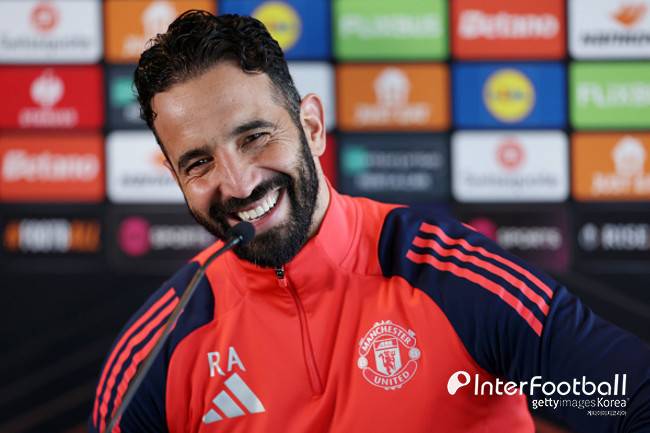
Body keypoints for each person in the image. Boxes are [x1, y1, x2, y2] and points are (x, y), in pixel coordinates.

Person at [90, 10, 650, 433]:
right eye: (199, 163)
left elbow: (630, 400)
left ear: (311, 127)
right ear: (176, 178)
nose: (237, 184)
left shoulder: (450, 279)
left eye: (255, 137)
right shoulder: (158, 348)